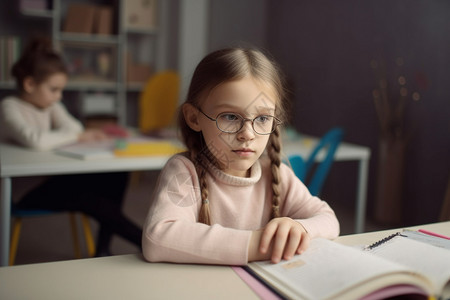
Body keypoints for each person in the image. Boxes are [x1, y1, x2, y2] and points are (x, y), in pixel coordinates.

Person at [142, 47, 340, 265]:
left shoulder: (276, 175)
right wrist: (260, 244)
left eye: (263, 118)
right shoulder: (184, 171)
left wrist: (300, 228)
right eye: (230, 116)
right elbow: (158, 238)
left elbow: (329, 220)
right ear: (194, 118)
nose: (247, 134)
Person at [0, 37, 142, 256]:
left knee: (117, 173)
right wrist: (74, 134)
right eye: (54, 89)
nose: (59, 96)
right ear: (29, 84)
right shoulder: (9, 107)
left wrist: (72, 133)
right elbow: (35, 140)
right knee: (90, 200)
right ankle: (142, 240)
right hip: (20, 190)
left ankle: (103, 247)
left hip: (52, 178)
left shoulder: (50, 106)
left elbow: (74, 126)